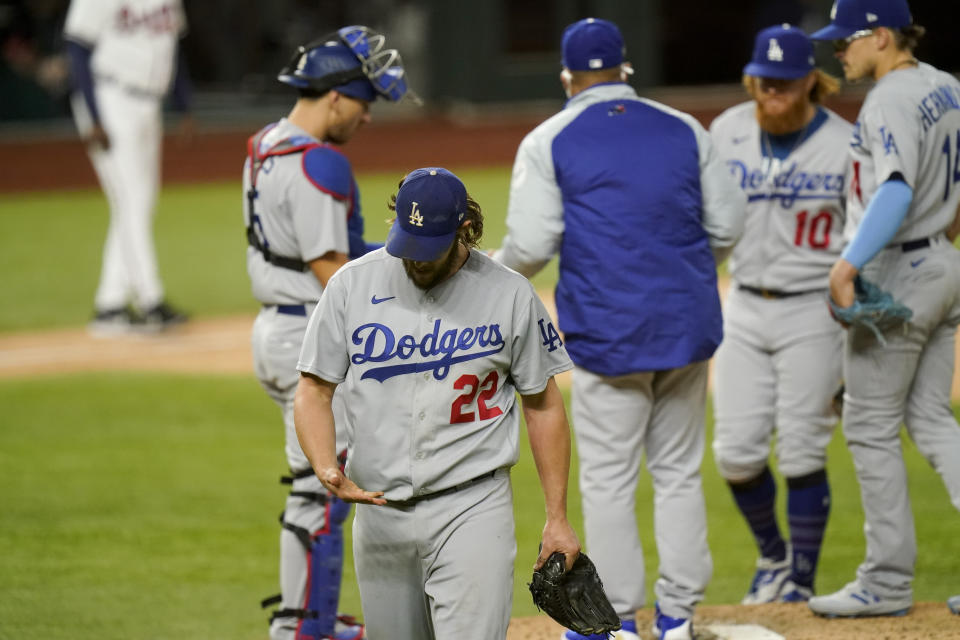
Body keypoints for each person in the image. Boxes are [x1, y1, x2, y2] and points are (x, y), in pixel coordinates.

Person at [492, 17, 746, 640]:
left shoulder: (551, 137)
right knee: (680, 471)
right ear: (625, 70)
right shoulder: (686, 127)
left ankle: (616, 623)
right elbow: (730, 225)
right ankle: (679, 615)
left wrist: (486, 278)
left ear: (567, 76)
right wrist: (681, 271)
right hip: (687, 323)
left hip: (609, 333)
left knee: (608, 478)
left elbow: (530, 243)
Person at [293, 167, 582, 640]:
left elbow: (543, 406)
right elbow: (313, 388)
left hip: (472, 507)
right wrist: (325, 464)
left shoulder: (509, 294)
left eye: (429, 249)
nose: (416, 261)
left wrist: (557, 518)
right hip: (380, 512)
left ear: (464, 229)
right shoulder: (351, 286)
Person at [243, 27, 418, 640]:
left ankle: (302, 620)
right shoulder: (321, 163)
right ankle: (308, 630)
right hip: (305, 339)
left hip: (274, 331)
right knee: (327, 487)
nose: (368, 114)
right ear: (336, 98)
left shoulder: (266, 144)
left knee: (306, 487)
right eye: (364, 101)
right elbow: (329, 268)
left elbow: (337, 252)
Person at [805, 0, 960, 618]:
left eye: (847, 41)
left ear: (882, 35)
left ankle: (887, 582)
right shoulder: (946, 86)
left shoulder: (890, 98)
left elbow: (894, 187)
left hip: (898, 265)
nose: (838, 52)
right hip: (943, 262)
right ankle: (888, 578)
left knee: (868, 424)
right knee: (929, 416)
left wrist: (847, 267)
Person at [708, 24, 851, 605]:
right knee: (736, 453)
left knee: (800, 451)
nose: (772, 93)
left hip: (814, 311)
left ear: (812, 82)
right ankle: (773, 558)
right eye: (763, 82)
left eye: (785, 84)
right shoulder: (727, 131)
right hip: (743, 303)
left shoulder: (846, 144)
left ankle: (800, 583)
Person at [63, 0, 192, 335]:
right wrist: (93, 116)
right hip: (110, 98)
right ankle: (150, 300)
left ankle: (111, 305)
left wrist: (184, 106)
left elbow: (171, 47)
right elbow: (76, 50)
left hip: (150, 103)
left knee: (139, 203)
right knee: (133, 201)